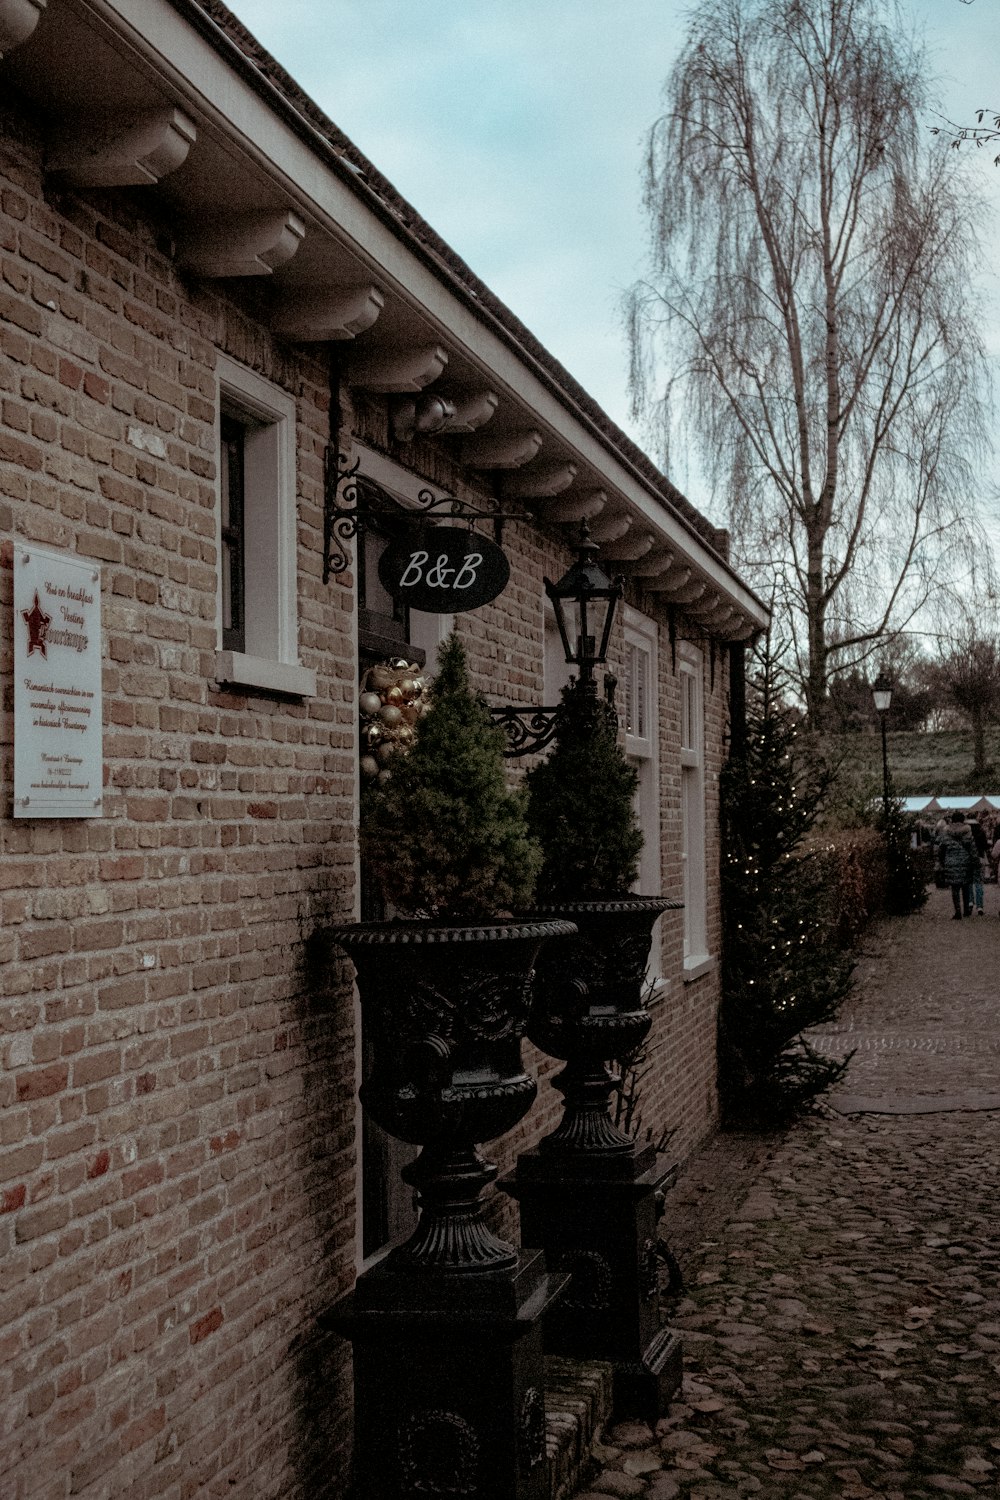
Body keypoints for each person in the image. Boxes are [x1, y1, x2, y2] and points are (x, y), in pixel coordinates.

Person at [937, 810, 976, 919]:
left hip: (951, 862)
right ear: (963, 820)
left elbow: (941, 848)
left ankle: (957, 911)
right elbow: (972, 848)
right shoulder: (968, 831)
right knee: (966, 887)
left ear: (952, 820)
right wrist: (975, 861)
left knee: (954, 888)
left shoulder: (946, 832)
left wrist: (942, 861)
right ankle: (967, 910)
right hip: (965, 862)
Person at [968, 815, 989, 915]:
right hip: (979, 859)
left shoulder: (966, 833)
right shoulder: (981, 833)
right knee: (979, 883)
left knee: (969, 882)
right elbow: (985, 847)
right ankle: (980, 906)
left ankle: (970, 901)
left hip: (968, 860)